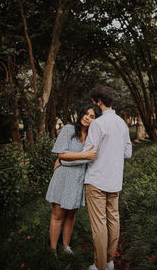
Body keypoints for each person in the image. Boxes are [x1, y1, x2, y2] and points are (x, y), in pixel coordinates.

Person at [64, 86, 132, 270]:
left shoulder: (98, 124)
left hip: (96, 181)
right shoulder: (121, 123)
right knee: (113, 220)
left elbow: (89, 152)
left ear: (99, 102)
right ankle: (109, 260)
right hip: (115, 180)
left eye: (94, 103)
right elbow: (128, 152)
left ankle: (100, 265)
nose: (93, 107)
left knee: (99, 225)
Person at [45, 103, 102, 258]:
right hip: (63, 177)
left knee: (71, 214)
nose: (87, 118)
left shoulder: (93, 137)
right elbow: (61, 155)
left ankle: (65, 246)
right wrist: (83, 156)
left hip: (78, 178)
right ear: (81, 113)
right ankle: (52, 250)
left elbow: (90, 158)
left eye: (92, 116)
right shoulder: (69, 129)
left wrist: (69, 159)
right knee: (58, 213)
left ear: (95, 121)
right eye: (86, 114)